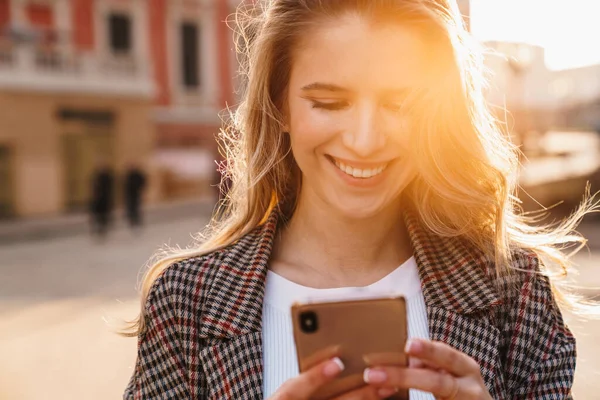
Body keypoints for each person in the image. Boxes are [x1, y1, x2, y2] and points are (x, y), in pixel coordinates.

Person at [123, 1, 596, 398]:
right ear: (279, 103)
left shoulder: (515, 290)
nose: (365, 141)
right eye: (328, 103)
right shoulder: (186, 301)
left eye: (400, 105)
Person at [89, 159, 114, 240]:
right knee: (96, 215)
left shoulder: (108, 176)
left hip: (105, 198)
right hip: (97, 199)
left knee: (104, 215)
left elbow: (110, 188)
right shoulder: (95, 176)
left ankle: (103, 228)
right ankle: (98, 228)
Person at [123, 164, 147, 231]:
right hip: (129, 194)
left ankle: (137, 222)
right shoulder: (128, 175)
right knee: (130, 209)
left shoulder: (138, 174)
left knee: (136, 208)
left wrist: (140, 190)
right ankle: (132, 222)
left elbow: (143, 182)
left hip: (136, 194)